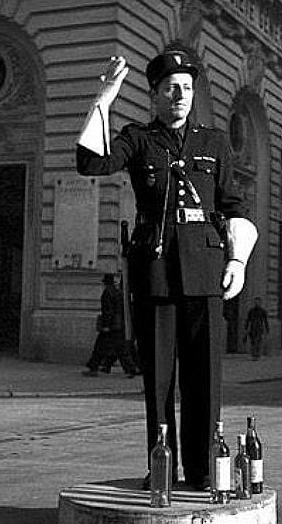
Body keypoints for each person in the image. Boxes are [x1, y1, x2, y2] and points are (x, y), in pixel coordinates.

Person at [76, 51, 258, 489]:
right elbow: (91, 163)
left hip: (207, 270)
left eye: (187, 88)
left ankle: (200, 473)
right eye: (171, 88)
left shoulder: (214, 143)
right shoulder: (138, 139)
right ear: (155, 94)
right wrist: (105, 96)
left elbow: (233, 206)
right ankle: (161, 469)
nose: (180, 95)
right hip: (155, 269)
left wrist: (237, 260)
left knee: (205, 378)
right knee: (159, 380)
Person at [83, 274, 137, 377]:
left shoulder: (107, 293)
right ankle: (129, 368)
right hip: (119, 325)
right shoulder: (119, 292)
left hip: (110, 326)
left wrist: (106, 325)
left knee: (100, 347)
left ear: (105, 283)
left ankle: (94, 368)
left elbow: (108, 311)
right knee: (120, 348)